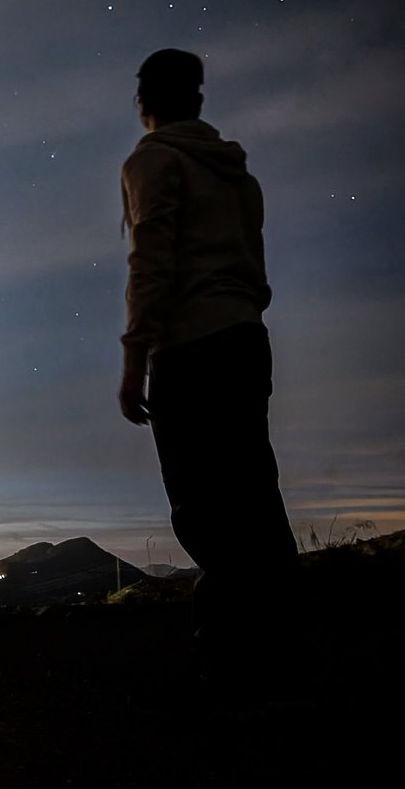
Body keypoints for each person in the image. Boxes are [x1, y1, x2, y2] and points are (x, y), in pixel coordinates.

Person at [118, 48, 300, 704]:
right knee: (253, 493)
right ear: (197, 98)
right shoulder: (237, 176)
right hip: (245, 339)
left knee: (202, 506)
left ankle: (230, 664)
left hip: (189, 347)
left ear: (147, 101)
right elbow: (254, 265)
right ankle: (279, 650)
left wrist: (136, 356)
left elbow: (151, 263)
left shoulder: (152, 159)